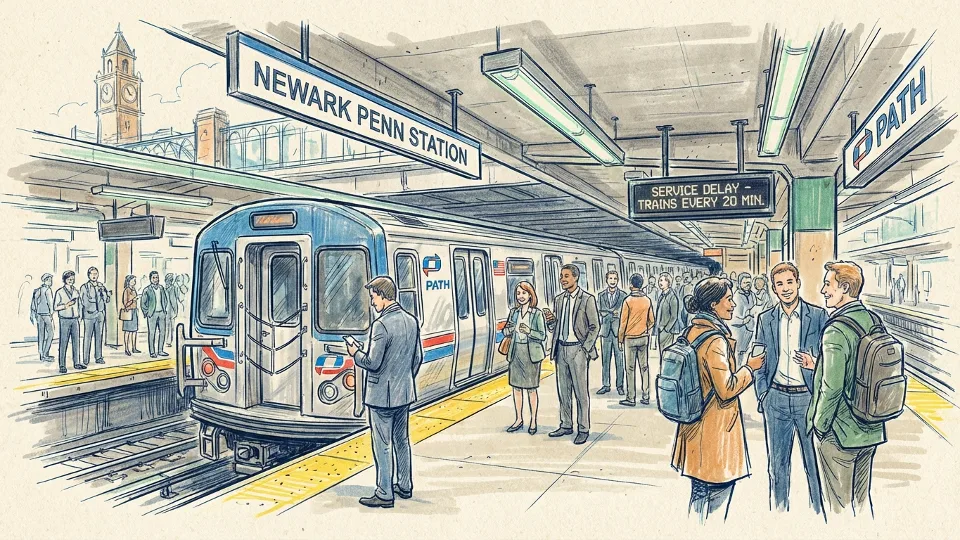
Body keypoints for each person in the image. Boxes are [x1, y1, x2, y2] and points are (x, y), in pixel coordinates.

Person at [671, 277, 765, 522]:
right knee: (718, 495)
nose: (733, 305)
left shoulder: (692, 330)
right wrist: (750, 369)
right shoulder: (715, 340)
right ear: (714, 304)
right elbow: (726, 389)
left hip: (693, 427)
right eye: (728, 300)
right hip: (715, 433)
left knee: (699, 494)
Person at [806, 261, 886, 517]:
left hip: (840, 433)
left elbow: (832, 387)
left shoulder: (836, 330)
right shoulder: (873, 320)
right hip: (871, 427)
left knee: (839, 506)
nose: (823, 290)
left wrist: (819, 424)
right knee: (861, 502)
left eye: (828, 284)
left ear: (844, 288)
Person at [751, 262, 828, 515]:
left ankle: (819, 513)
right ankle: (778, 514)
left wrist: (814, 364)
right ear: (773, 288)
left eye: (789, 282)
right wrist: (763, 394)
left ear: (798, 283)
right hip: (776, 399)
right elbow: (758, 359)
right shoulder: (765, 319)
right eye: (780, 284)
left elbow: (829, 360)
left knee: (813, 463)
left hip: (807, 398)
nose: (785, 288)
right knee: (777, 466)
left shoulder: (817, 316)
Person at [346, 276, 423, 509]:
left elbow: (373, 362)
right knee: (402, 439)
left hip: (381, 397)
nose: (372, 302)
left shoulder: (381, 326)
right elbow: (418, 357)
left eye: (373, 297)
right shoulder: (411, 321)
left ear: (383, 296)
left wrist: (355, 353)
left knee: (382, 443)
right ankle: (405, 485)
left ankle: (384, 493)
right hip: (404, 393)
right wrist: (404, 378)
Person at [543, 264, 600, 445]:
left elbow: (594, 326)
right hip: (561, 349)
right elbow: (556, 327)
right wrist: (551, 323)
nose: (563, 279)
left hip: (578, 349)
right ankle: (566, 424)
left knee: (581, 392)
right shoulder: (559, 300)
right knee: (563, 391)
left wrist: (585, 348)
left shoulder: (587, 299)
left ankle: (583, 428)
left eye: (566, 276)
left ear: (576, 277)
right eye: (561, 276)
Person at [502, 281, 547, 434]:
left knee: (531, 390)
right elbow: (506, 330)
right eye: (518, 293)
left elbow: (542, 335)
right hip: (516, 353)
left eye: (524, 293)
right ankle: (519, 419)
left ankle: (533, 420)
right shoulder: (514, 312)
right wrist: (510, 329)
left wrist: (529, 331)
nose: (520, 296)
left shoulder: (537, 314)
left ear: (530, 295)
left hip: (531, 355)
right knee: (516, 389)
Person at [617, 274, 655, 406]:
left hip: (630, 338)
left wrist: (620, 340)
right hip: (643, 338)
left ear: (631, 285)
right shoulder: (647, 300)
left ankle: (631, 398)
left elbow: (623, 323)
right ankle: (646, 396)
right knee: (644, 367)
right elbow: (652, 321)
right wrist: (644, 329)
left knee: (630, 368)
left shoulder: (627, 301)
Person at [597, 271, 628, 396]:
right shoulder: (601, 295)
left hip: (618, 332)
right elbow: (600, 311)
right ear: (606, 280)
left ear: (618, 280)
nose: (612, 280)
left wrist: (609, 312)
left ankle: (620, 385)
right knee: (605, 360)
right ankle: (606, 385)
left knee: (619, 360)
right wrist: (613, 312)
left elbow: (623, 313)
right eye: (610, 278)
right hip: (605, 331)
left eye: (615, 278)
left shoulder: (623, 295)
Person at [79, 267, 111, 366]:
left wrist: (104, 294)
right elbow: (82, 301)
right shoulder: (84, 287)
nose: (94, 276)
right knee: (87, 337)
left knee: (99, 336)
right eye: (92, 274)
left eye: (96, 273)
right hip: (89, 314)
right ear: (88, 275)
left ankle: (98, 357)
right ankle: (85, 359)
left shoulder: (101, 286)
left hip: (100, 314)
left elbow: (107, 300)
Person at [54, 271, 82, 374]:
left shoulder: (76, 291)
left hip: (75, 319)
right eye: (69, 279)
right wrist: (66, 305)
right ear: (64, 280)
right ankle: (62, 365)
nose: (71, 281)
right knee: (63, 342)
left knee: (76, 342)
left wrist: (80, 315)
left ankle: (77, 363)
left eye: (73, 279)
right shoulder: (59, 292)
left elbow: (79, 304)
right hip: (64, 319)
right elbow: (55, 307)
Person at [141, 271, 169, 358]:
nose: (155, 279)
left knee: (162, 332)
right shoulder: (147, 290)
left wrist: (164, 310)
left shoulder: (161, 288)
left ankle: (160, 350)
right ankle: (152, 352)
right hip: (152, 314)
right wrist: (147, 313)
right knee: (152, 333)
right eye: (153, 277)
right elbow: (143, 303)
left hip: (161, 313)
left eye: (157, 277)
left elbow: (165, 299)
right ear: (150, 279)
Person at [730, 273, 756, 366]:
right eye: (745, 282)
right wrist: (744, 320)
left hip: (750, 328)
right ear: (739, 283)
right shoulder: (736, 296)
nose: (747, 285)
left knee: (746, 351)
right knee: (737, 353)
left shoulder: (752, 294)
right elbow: (732, 316)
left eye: (749, 283)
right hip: (738, 329)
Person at [30, 273, 56, 362]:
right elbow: (50, 304)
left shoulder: (38, 290)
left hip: (39, 314)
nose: (51, 282)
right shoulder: (48, 290)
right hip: (46, 315)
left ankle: (42, 354)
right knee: (51, 333)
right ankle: (45, 354)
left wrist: (36, 312)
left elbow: (34, 304)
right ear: (45, 280)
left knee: (41, 335)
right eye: (49, 280)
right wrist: (51, 314)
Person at [654, 273, 680, 352]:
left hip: (666, 331)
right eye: (659, 280)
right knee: (662, 353)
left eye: (663, 280)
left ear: (668, 282)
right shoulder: (661, 295)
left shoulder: (672, 296)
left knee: (665, 353)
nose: (660, 283)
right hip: (660, 330)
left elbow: (674, 317)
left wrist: (666, 329)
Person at [121, 275, 141, 356]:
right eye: (133, 280)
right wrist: (133, 300)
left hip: (134, 311)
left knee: (134, 331)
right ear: (128, 281)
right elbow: (125, 303)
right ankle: (126, 348)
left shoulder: (134, 289)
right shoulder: (127, 290)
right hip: (128, 312)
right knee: (128, 331)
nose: (134, 282)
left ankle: (134, 347)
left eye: (135, 280)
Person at [164, 273, 179, 347]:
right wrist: (176, 311)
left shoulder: (164, 288)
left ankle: (166, 341)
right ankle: (168, 341)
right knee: (170, 327)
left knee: (166, 326)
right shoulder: (172, 288)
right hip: (170, 311)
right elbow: (173, 301)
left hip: (165, 310)